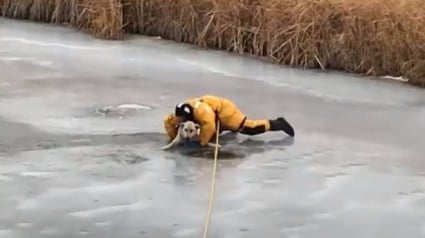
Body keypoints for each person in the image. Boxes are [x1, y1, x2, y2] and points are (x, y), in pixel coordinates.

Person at [163, 95, 295, 147]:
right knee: (211, 133)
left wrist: (203, 143)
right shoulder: (180, 113)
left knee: (249, 129)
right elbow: (168, 122)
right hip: (214, 115)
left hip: (226, 113)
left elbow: (209, 126)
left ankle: (278, 123)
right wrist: (176, 138)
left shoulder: (202, 111)